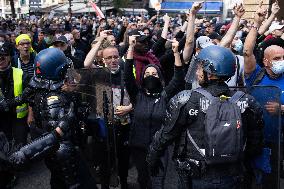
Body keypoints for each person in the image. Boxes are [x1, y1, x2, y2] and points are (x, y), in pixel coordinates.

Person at [147, 46, 264, 189]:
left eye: (200, 67)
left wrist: (151, 160)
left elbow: (165, 136)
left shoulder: (186, 100)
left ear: (211, 71)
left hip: (196, 177)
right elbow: (255, 144)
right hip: (233, 176)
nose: (197, 72)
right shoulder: (247, 102)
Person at [0, 48, 97, 189]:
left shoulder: (37, 85)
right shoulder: (54, 99)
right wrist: (23, 154)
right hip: (67, 163)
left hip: (54, 160)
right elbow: (56, 139)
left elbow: (18, 99)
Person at [125, 35, 184, 189]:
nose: (150, 76)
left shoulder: (165, 95)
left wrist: (176, 53)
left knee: (158, 180)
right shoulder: (137, 95)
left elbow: (178, 78)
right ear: (142, 78)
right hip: (139, 146)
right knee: (143, 180)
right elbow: (127, 76)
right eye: (147, 74)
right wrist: (130, 47)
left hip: (160, 148)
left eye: (154, 74)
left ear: (160, 77)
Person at [0, 42, 30, 188]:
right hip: (1, 117)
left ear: (9, 57)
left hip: (18, 117)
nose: (0, 59)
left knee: (19, 145)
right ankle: (7, 171)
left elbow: (28, 95)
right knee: (3, 146)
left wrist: (31, 115)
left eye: (3, 56)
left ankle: (17, 169)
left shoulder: (19, 73)